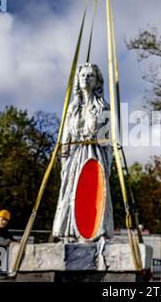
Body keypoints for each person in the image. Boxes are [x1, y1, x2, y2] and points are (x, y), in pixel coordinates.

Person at [52, 63, 114, 242]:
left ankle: (96, 231)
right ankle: (70, 231)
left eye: (90, 76)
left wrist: (108, 162)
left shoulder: (104, 108)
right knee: (72, 192)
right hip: (76, 155)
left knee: (94, 192)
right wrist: (64, 157)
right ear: (78, 81)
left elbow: (107, 140)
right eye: (83, 76)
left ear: (97, 81)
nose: (86, 79)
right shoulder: (72, 109)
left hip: (95, 154)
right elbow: (66, 136)